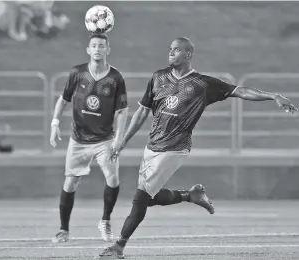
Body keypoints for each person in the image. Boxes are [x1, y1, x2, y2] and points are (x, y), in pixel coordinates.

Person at [99, 37, 298, 259]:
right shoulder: (158, 77)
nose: (171, 52)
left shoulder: (203, 84)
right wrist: (123, 141)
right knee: (148, 199)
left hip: (176, 148)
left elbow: (239, 91)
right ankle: (190, 195)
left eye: (177, 50)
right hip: (152, 147)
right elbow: (142, 111)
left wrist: (273, 96)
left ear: (189, 54)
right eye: (170, 49)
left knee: (139, 199)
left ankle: (118, 246)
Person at [50, 33, 128, 243]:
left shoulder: (116, 78)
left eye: (101, 46)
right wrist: (55, 123)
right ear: (88, 49)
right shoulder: (77, 73)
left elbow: (122, 110)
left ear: (107, 50)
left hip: (105, 140)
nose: (97, 49)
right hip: (79, 139)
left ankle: (105, 220)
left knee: (113, 179)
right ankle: (63, 230)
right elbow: (63, 99)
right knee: (71, 183)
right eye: (94, 45)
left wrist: (119, 138)